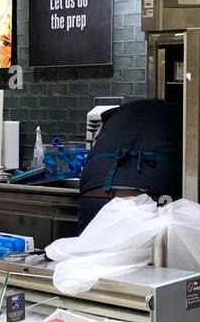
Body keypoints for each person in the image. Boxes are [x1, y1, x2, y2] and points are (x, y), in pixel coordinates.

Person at [75, 98, 182, 232]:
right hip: (150, 192)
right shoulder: (181, 119)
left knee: (91, 250)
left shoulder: (116, 117)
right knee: (148, 251)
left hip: (94, 191)